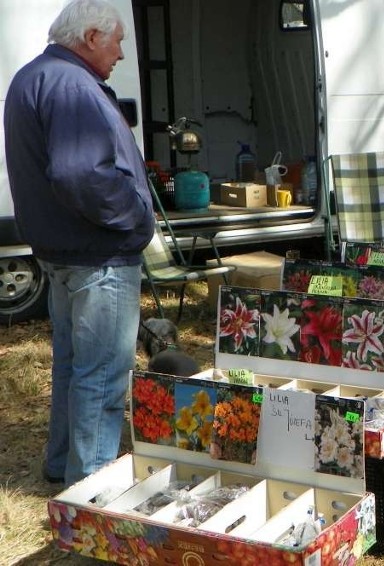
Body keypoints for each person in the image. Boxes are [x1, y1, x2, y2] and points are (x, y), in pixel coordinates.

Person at [4, 0, 155, 485]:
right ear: (91, 37)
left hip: (63, 251)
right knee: (104, 376)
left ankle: (61, 465)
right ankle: (89, 493)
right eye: (117, 42)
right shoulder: (72, 85)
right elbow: (78, 173)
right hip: (97, 255)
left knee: (73, 366)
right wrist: (133, 215)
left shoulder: (37, 75)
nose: (122, 55)